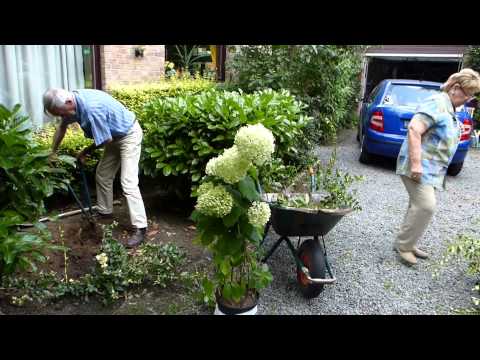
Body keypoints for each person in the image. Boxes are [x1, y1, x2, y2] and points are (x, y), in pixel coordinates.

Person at [394, 68, 480, 265]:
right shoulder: (437, 103)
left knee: (416, 204)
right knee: (426, 205)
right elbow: (415, 129)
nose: (469, 99)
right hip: (418, 166)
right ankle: (404, 246)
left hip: (431, 169)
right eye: (468, 94)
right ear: (456, 88)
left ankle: (409, 240)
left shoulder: (448, 105)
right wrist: (416, 165)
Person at [43, 88, 148, 247]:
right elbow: (62, 128)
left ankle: (140, 228)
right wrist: (52, 152)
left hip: (128, 135)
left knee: (128, 182)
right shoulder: (71, 104)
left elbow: (105, 140)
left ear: (69, 103)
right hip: (113, 136)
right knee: (103, 174)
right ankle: (105, 212)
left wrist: (85, 151)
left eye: (61, 113)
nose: (62, 117)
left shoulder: (92, 109)